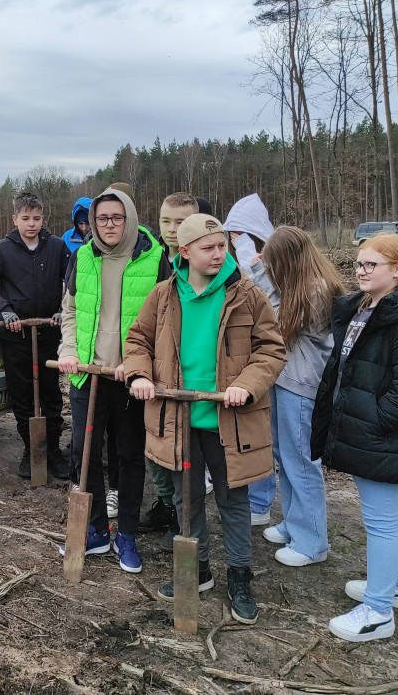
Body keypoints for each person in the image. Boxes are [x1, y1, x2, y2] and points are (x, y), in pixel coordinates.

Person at [125, 213, 285, 623]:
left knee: (234, 500)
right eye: (208, 248)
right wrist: (141, 373)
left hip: (229, 419)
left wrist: (246, 385)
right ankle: (197, 570)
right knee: (186, 497)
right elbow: (138, 339)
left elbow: (271, 350)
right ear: (185, 252)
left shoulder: (246, 294)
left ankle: (239, 576)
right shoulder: (163, 295)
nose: (219, 254)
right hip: (176, 418)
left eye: (222, 246)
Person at [311, 234, 398, 642]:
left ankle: (379, 612)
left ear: (397, 270)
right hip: (365, 431)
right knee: (382, 517)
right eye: (359, 264)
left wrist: (375, 421)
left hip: (383, 435)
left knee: (380, 520)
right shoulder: (365, 309)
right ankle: (397, 586)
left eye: (371, 265)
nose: (360, 271)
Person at [56, 186, 170, 573]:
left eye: (116, 218)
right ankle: (97, 531)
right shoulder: (81, 256)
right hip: (88, 375)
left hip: (131, 378)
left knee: (129, 455)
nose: (108, 225)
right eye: (101, 218)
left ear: (130, 219)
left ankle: (127, 535)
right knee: (83, 456)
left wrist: (138, 363)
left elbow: (166, 323)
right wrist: (68, 351)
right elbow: (69, 311)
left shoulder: (156, 258)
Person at [259, 227, 345, 566]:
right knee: (284, 454)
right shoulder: (294, 287)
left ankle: (312, 542)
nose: (267, 270)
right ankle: (295, 523)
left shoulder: (316, 291)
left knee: (301, 461)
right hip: (284, 381)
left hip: (302, 386)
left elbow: (279, 329)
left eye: (271, 264)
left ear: (287, 261)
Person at [0, 191, 70, 480]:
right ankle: (32, 449)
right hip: (16, 337)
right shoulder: (3, 250)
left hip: (50, 335)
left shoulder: (57, 247)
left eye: (37, 218)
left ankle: (52, 450)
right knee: (23, 395)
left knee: (52, 395)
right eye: (25, 218)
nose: (31, 224)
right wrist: (4, 310)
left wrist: (64, 310)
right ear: (15, 219)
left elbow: (75, 282)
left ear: (43, 219)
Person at [139, 193, 199, 548]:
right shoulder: (156, 259)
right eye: (166, 222)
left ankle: (183, 518)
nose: (172, 230)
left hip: (190, 376)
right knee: (155, 449)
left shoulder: (210, 262)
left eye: (180, 223)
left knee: (182, 456)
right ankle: (165, 505)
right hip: (154, 372)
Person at [224, 193, 279, 526]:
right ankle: (255, 498)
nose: (235, 242)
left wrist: (250, 257)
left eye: (239, 235)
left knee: (264, 434)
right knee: (250, 430)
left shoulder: (269, 263)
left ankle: (261, 502)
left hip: (271, 360)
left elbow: (269, 299)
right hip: (244, 357)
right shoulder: (233, 261)